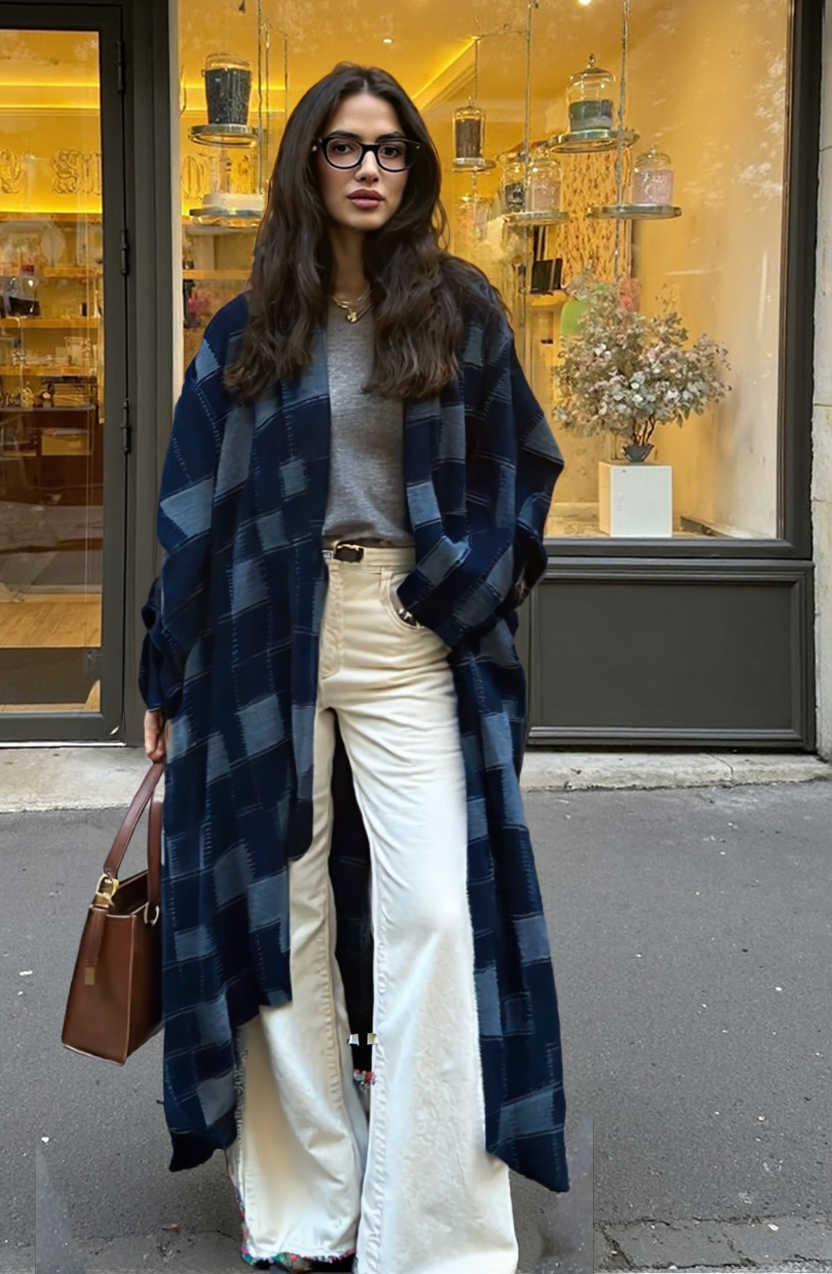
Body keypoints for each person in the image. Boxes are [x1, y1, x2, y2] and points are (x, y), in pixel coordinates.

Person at [140, 63, 568, 1274]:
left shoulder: (459, 310)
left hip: (405, 628)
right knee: (283, 916)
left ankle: (427, 1229)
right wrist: (166, 671)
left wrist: (464, 586)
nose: (369, 167)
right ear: (307, 164)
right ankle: (306, 1205)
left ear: (413, 169)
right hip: (261, 630)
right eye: (344, 146)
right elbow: (189, 511)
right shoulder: (248, 323)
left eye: (388, 148)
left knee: (438, 907)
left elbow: (521, 474)